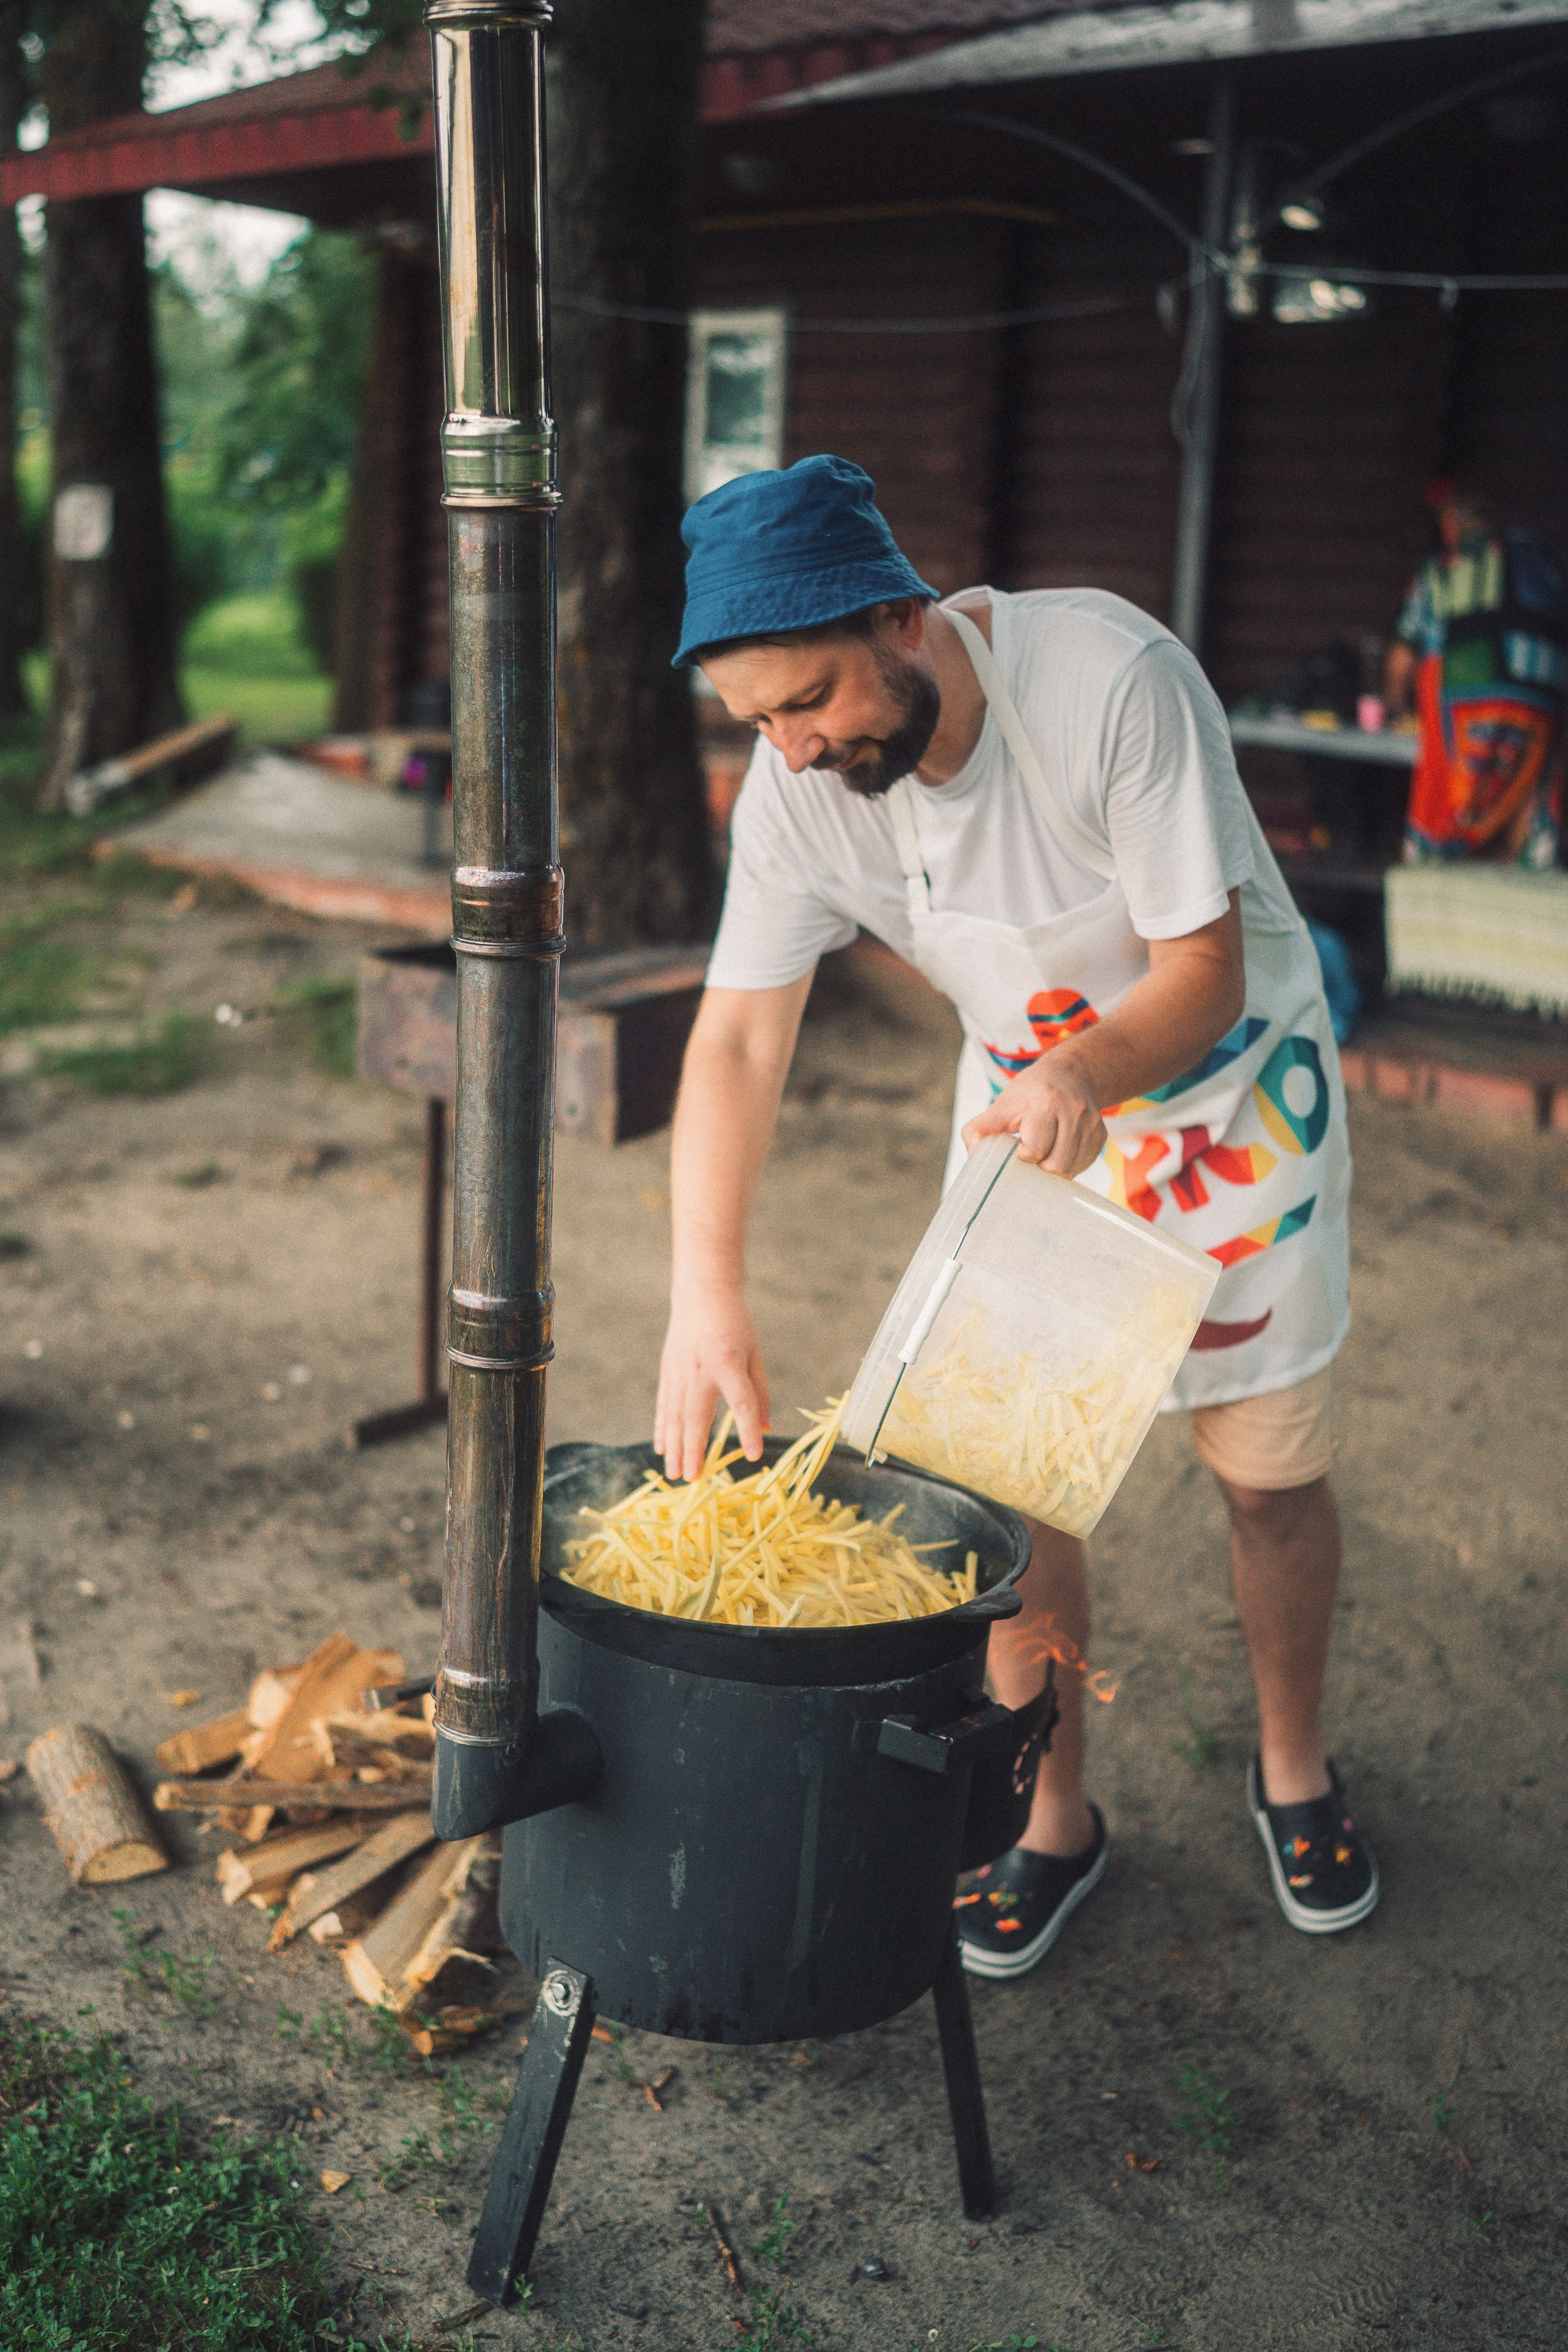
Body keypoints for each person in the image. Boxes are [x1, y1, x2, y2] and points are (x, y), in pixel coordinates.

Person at [657, 454, 1379, 1978]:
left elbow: (1202, 965)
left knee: (1263, 1471)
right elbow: (732, 1039)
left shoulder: (1106, 679)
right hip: (1031, 1121)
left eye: (803, 703)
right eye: (754, 723)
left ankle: (1293, 1766)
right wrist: (700, 1291)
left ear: (901, 619)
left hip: (1234, 1110)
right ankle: (1051, 1817)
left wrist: (1087, 1071)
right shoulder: (803, 794)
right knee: (1013, 1487)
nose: (787, 753)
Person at [1385, 480, 1566, 869]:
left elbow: (1402, 657)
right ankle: (1534, 854)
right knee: (1529, 783)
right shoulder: (1537, 557)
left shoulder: (1442, 566)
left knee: (1445, 798)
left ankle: (1431, 866)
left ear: (1452, 524)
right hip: (1544, 695)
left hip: (1468, 696)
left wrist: (1395, 708)